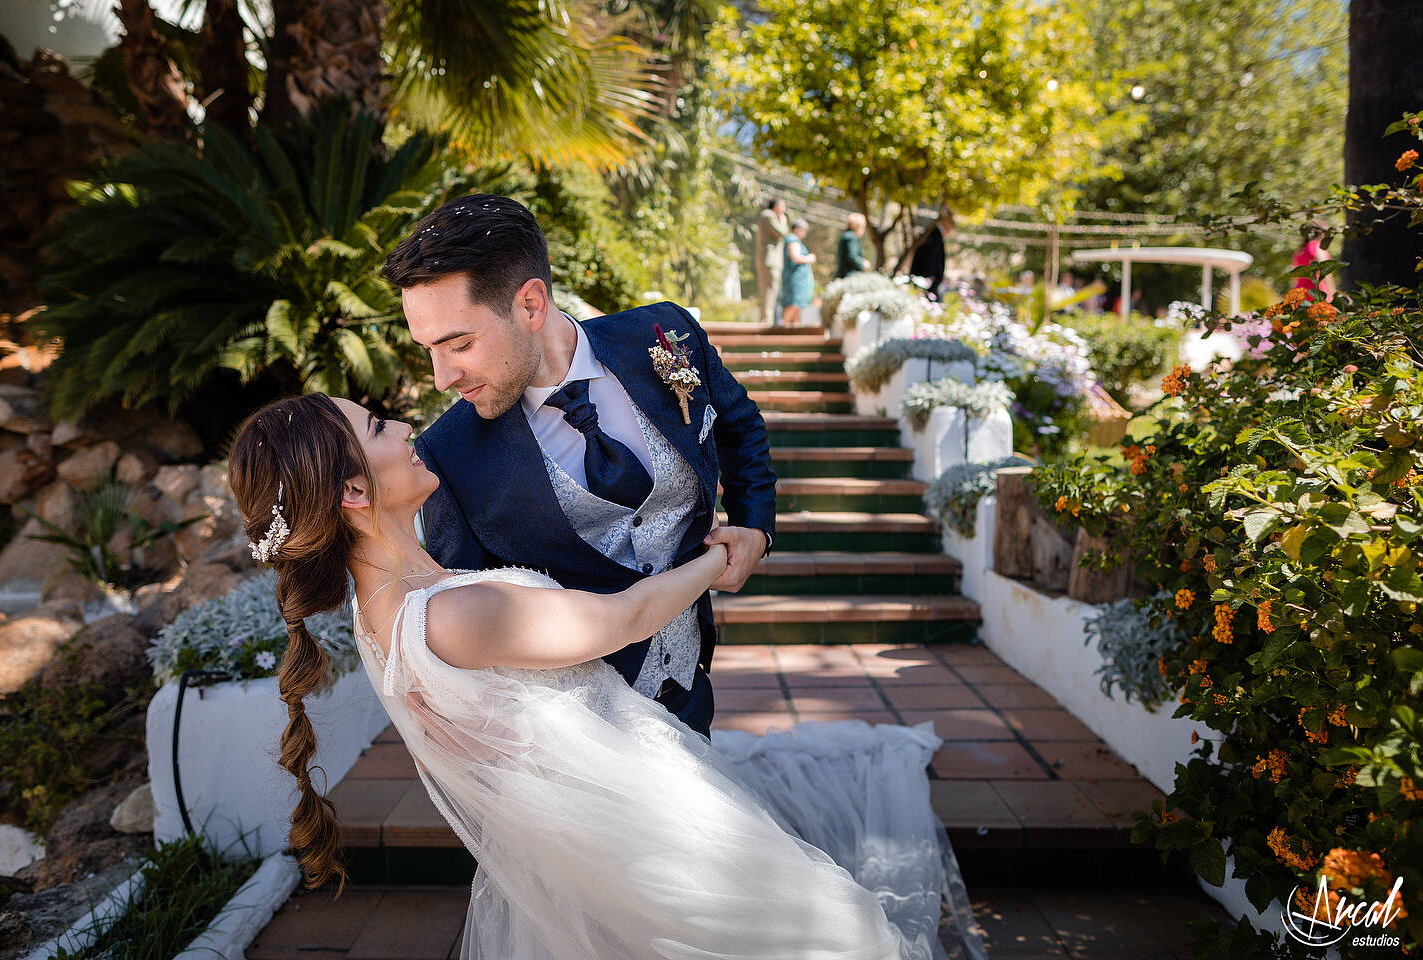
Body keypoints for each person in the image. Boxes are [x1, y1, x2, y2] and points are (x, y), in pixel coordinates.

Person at [227, 393, 987, 959]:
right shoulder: (450, 616)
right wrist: (721, 557)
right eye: (380, 428)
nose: (405, 427)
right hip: (639, 820)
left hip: (583, 838)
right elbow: (624, 619)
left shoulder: (382, 610)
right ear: (355, 493)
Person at [379, 195, 776, 742]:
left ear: (531, 305)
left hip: (690, 691)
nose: (441, 376)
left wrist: (755, 525)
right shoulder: (447, 457)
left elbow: (739, 425)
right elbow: (469, 631)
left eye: (459, 344)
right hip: (574, 745)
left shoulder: (663, 335)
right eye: (428, 349)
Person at [753, 198, 788, 324]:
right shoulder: (768, 215)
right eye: (783, 206)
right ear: (776, 206)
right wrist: (783, 221)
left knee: (769, 290)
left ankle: (767, 320)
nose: (785, 210)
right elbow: (782, 232)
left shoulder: (768, 216)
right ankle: (766, 322)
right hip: (770, 260)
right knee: (769, 290)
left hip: (769, 260)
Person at [779, 218, 817, 328]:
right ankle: (782, 329)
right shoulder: (792, 238)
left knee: (799, 306)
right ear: (797, 229)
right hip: (795, 279)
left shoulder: (796, 240)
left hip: (799, 279)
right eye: (803, 230)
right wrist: (809, 258)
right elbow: (795, 257)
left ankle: (794, 329)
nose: (804, 234)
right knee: (794, 304)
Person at [911, 212, 955, 300]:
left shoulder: (935, 235)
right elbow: (931, 259)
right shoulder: (935, 235)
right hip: (925, 279)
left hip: (925, 279)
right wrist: (931, 278)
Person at [1292, 220, 1336, 300]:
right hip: (1316, 292)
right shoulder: (1318, 247)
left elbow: (1295, 275)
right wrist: (1333, 293)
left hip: (1300, 292)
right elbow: (1325, 272)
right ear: (1322, 233)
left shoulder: (1300, 250)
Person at [836, 211, 870, 278]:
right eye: (863, 227)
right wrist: (863, 263)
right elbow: (852, 256)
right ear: (857, 226)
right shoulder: (851, 237)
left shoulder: (846, 235)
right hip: (849, 275)